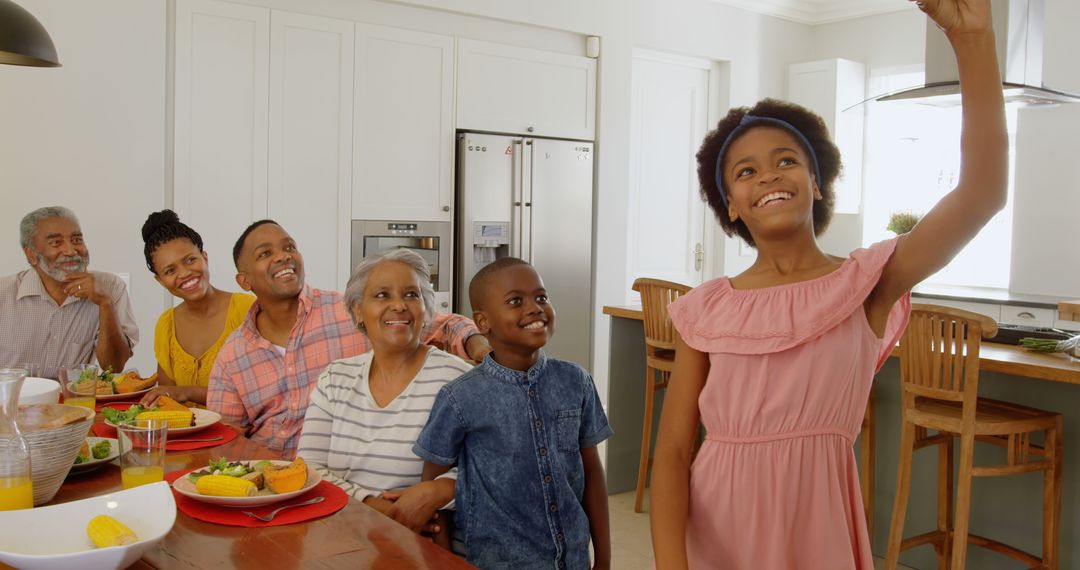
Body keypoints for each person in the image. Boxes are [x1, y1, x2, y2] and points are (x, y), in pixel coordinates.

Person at [649, 0, 1007, 568]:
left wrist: (974, 40)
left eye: (786, 160)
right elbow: (670, 453)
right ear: (732, 207)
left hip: (820, 528)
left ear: (815, 183)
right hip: (718, 528)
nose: (766, 174)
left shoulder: (867, 282)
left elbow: (981, 194)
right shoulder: (705, 310)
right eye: (744, 171)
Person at [209, 219, 490, 456]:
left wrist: (479, 348)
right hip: (266, 487)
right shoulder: (232, 355)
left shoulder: (354, 312)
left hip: (346, 476)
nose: (283, 256)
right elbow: (226, 441)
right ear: (244, 281)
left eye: (289, 247)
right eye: (264, 253)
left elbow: (443, 324)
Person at [415, 257, 612, 570]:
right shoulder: (459, 397)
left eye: (541, 297)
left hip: (572, 560)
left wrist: (603, 559)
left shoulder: (577, 381)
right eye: (515, 301)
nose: (535, 307)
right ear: (482, 322)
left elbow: (592, 475)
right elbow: (432, 488)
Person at [296, 249, 470, 545]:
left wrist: (435, 494)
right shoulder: (336, 378)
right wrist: (376, 508)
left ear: (426, 309)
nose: (399, 305)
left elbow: (494, 470)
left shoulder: (457, 380)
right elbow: (307, 468)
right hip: (340, 538)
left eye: (412, 295)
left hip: (426, 546)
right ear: (357, 311)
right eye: (382, 295)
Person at [0, 206, 138, 379]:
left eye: (76, 240)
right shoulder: (3, 293)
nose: (71, 251)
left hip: (73, 403)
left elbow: (114, 366)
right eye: (56, 243)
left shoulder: (110, 287)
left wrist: (105, 304)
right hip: (10, 402)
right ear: (31, 255)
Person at [138, 210, 255, 406]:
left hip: (243, 434)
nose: (184, 273)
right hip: (187, 436)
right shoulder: (167, 325)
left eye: (190, 260)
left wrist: (187, 392)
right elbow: (168, 399)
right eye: (170, 270)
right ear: (160, 280)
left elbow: (262, 393)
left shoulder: (247, 310)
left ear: (205, 257)